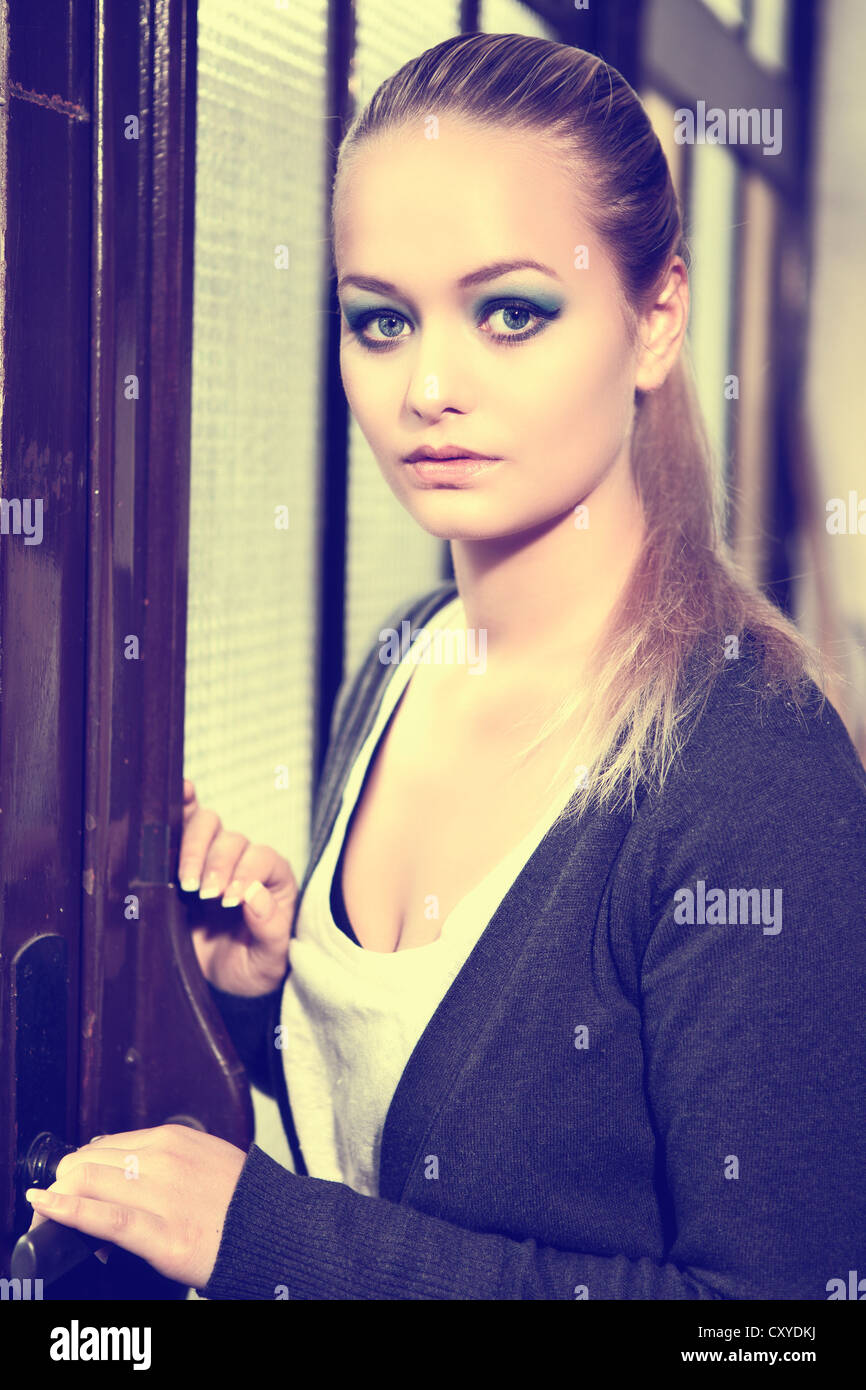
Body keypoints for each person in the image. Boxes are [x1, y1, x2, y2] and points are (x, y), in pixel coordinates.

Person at [26, 32, 866, 1300]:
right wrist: (272, 996)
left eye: (510, 312)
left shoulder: (752, 757)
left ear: (656, 319)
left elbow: (774, 1325)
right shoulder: (400, 660)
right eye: (380, 320)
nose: (426, 386)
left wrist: (267, 1241)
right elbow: (423, 1158)